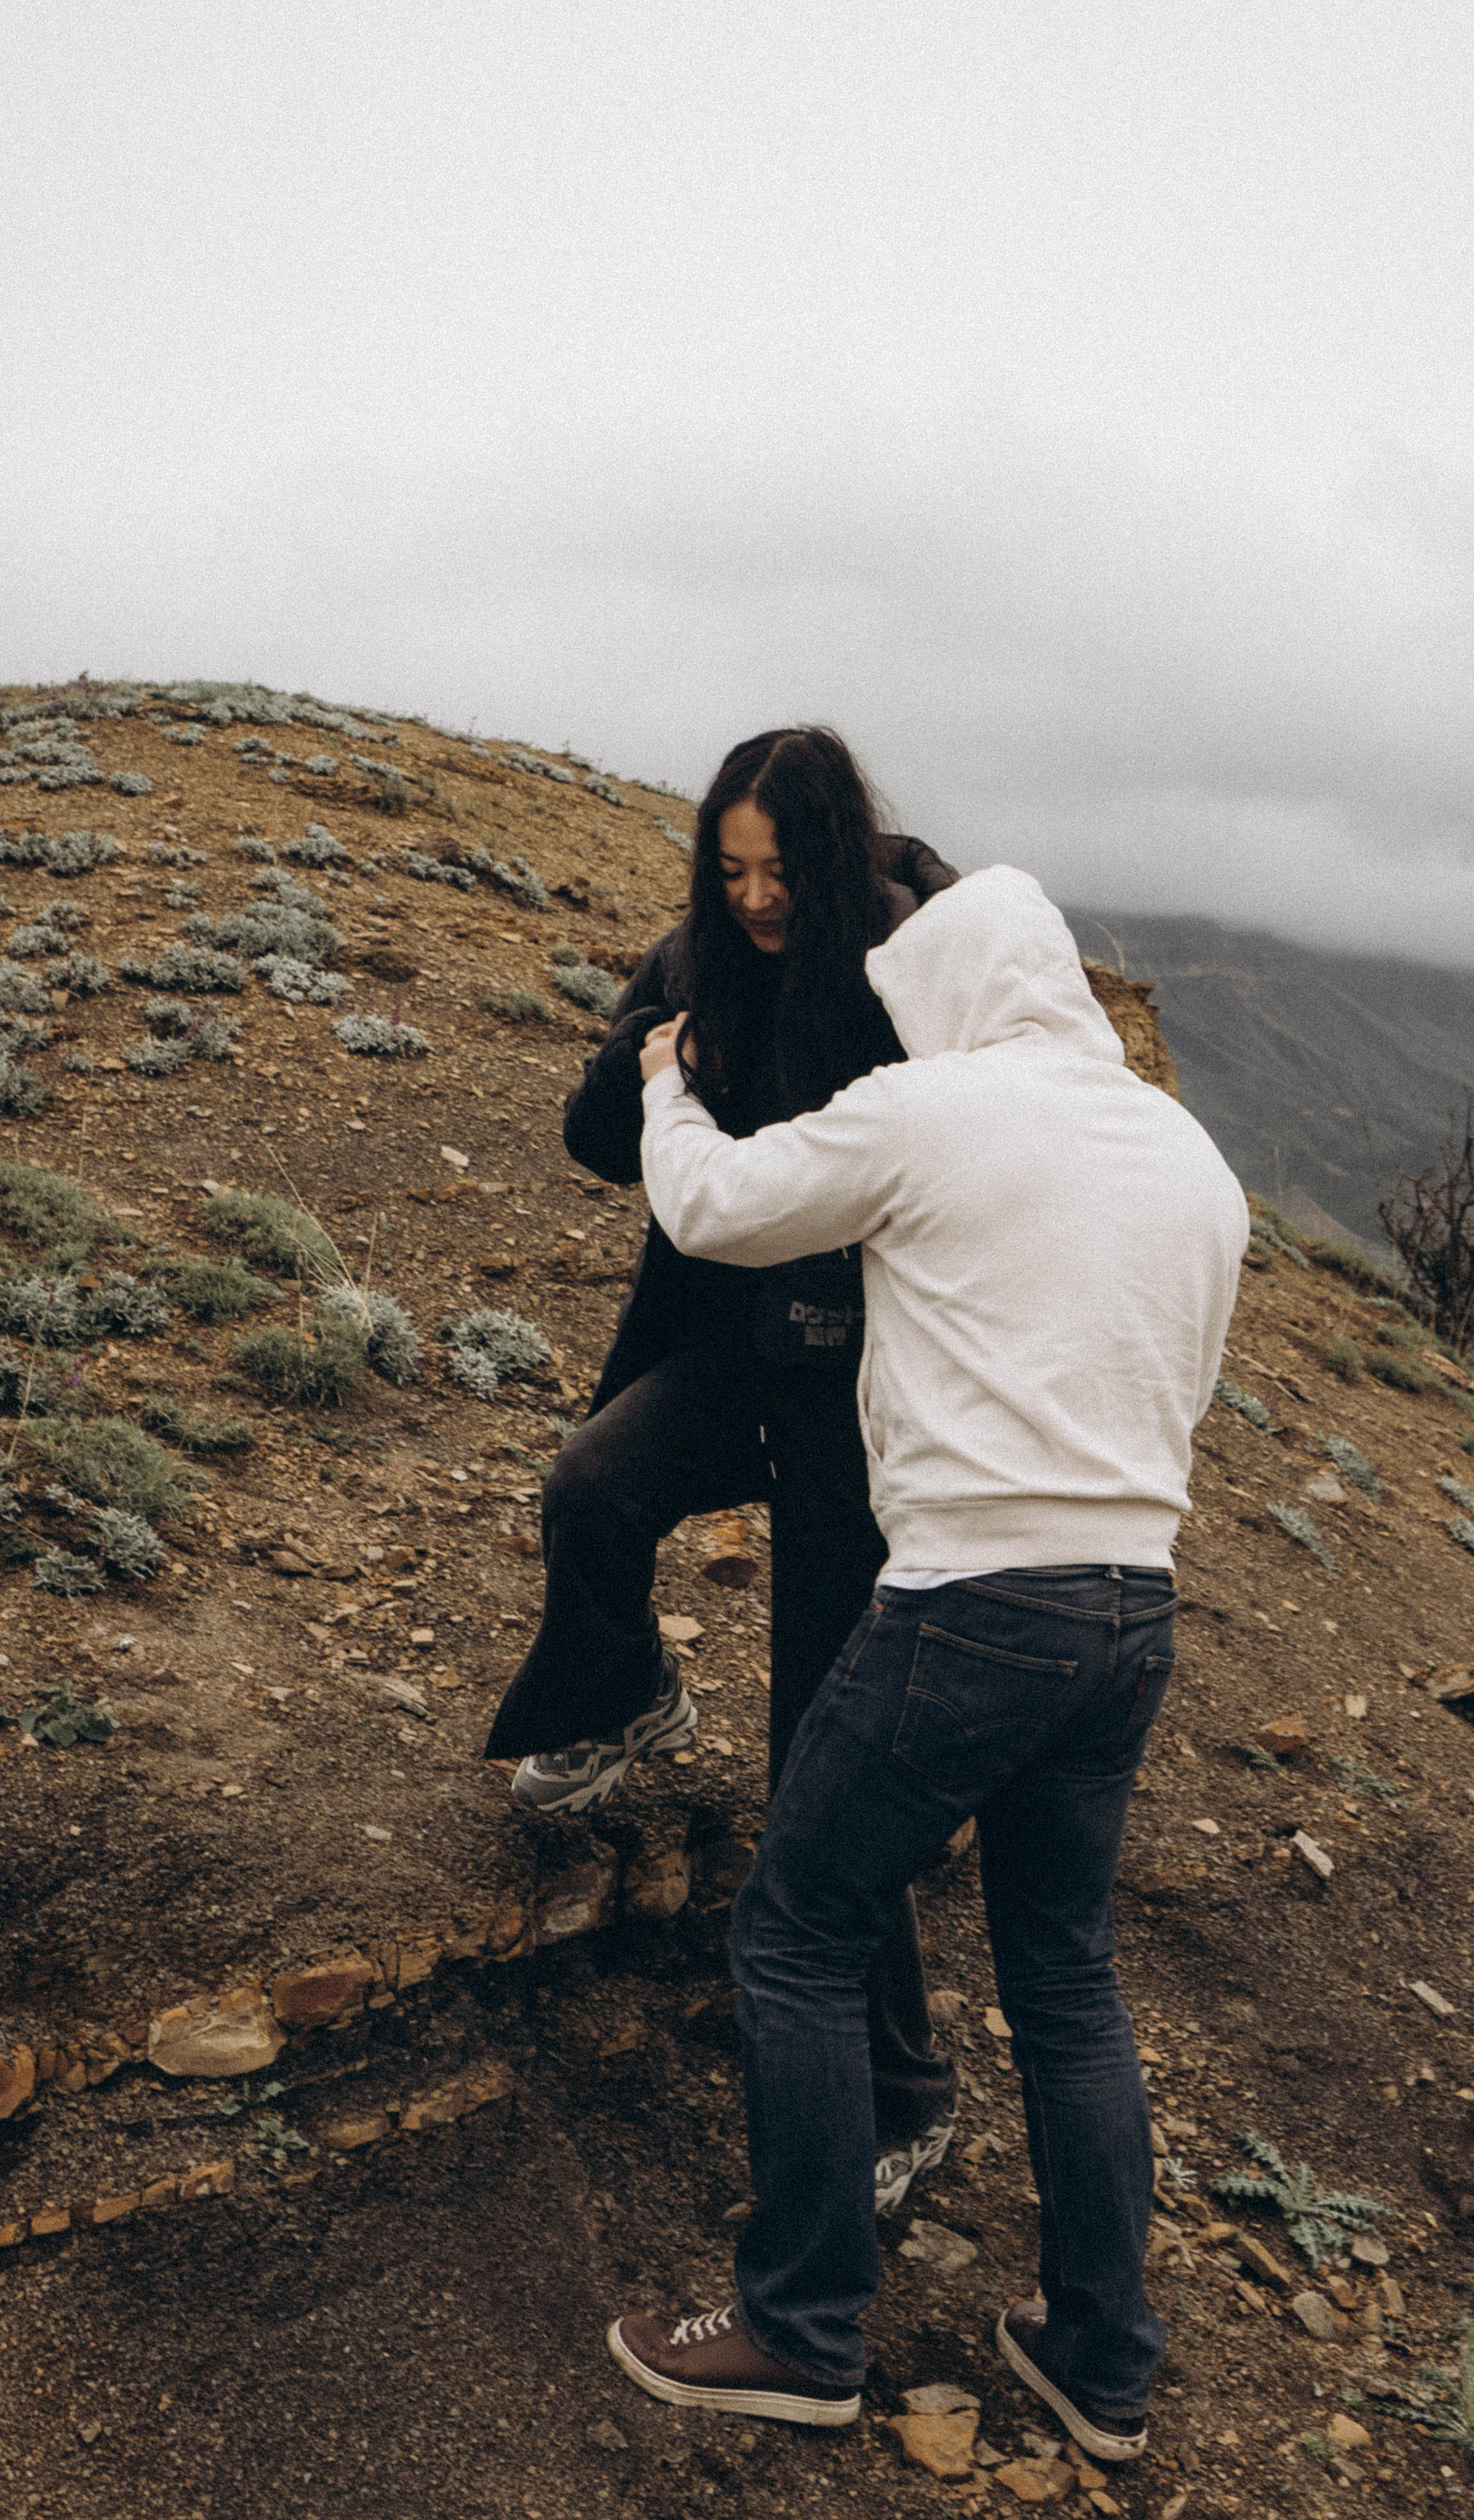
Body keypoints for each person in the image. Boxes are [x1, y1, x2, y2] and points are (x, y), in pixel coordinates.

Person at [606, 865, 1248, 2464]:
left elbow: (713, 1207)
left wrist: (666, 1087)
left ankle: (801, 2329)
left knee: (801, 1928)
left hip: (972, 1601)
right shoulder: (1186, 1156)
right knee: (1064, 1981)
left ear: (947, 992)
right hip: (1131, 1608)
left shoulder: (932, 1108)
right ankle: (1102, 2360)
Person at [484, 725, 959, 2206]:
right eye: (730, 868)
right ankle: (625, 1690)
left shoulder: (907, 963)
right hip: (731, 1343)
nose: (754, 900)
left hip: (868, 1393)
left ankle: (902, 2095)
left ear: (835, 855)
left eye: (778, 872)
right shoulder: (691, 954)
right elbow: (595, 1144)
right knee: (591, 1488)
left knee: (817, 1745)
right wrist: (644, 1052)